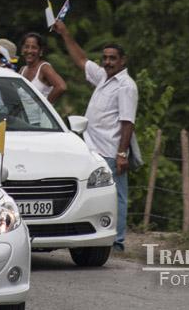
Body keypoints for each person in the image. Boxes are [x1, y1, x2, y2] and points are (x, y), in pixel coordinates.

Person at [52, 19, 136, 251]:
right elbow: (81, 60)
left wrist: (122, 153)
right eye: (105, 58)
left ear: (122, 61)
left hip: (111, 151)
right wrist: (65, 33)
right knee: (96, 194)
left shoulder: (126, 85)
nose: (107, 62)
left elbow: (128, 122)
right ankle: (99, 235)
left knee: (117, 196)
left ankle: (117, 241)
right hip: (92, 150)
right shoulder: (103, 78)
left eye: (112, 58)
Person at [17, 32, 67, 103]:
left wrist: (45, 105)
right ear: (22, 49)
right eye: (26, 47)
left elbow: (61, 87)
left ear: (40, 51)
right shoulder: (22, 70)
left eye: (34, 47)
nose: (29, 51)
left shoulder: (44, 68)